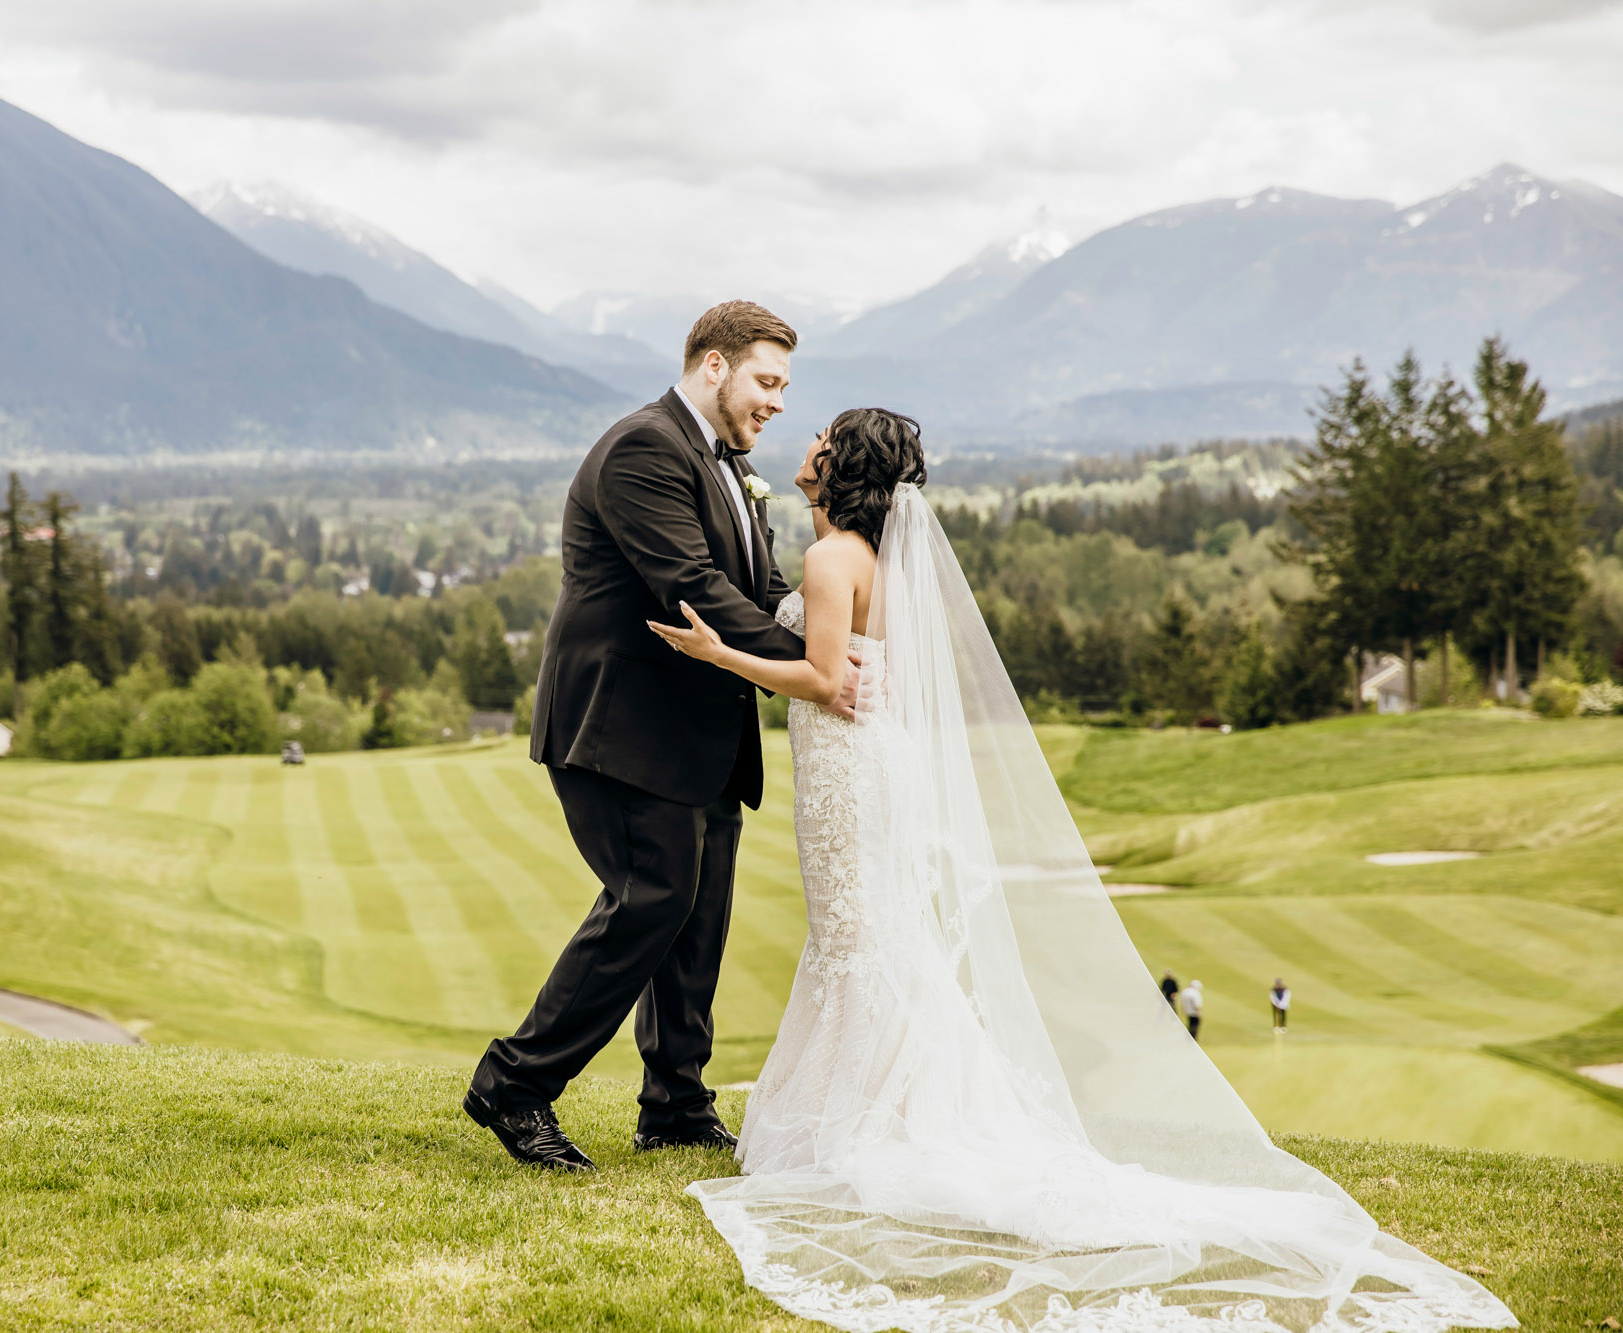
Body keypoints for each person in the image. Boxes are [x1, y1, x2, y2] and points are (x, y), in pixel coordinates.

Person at [649, 409, 1511, 1333]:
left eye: (821, 438)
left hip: (848, 780)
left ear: (841, 465)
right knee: (870, 939)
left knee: (861, 941)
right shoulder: (878, 562)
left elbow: (825, 679)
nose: (806, 446)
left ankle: (873, 1125)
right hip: (870, 769)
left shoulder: (832, 562)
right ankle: (875, 1108)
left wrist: (717, 652)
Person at [463, 301, 860, 1172]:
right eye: (767, 380)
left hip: (703, 731)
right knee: (652, 898)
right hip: (622, 727)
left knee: (698, 913)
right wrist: (816, 665)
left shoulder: (728, 463)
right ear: (712, 367)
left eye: (785, 385)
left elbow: (755, 586)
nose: (778, 402)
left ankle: (675, 1101)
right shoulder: (645, 448)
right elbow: (690, 585)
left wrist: (833, 635)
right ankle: (515, 1083)